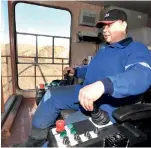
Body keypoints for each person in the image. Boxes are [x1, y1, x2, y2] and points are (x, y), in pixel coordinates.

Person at [14, 9, 151, 147]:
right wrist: (76, 71)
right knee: (51, 95)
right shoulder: (104, 49)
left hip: (106, 104)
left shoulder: (137, 49)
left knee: (63, 136)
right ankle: (33, 142)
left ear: (123, 25)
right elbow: (92, 69)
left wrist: (103, 85)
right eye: (103, 26)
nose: (105, 29)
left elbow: (141, 75)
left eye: (109, 25)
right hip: (83, 90)